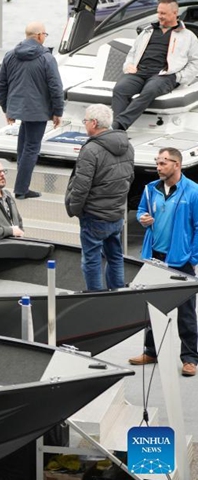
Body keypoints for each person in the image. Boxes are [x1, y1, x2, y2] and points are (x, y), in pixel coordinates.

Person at [130, 147, 198, 377]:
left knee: (186, 311)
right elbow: (141, 210)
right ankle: (151, 351)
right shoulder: (150, 189)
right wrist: (142, 218)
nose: (158, 167)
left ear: (177, 164)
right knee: (152, 307)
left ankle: (190, 359)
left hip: (181, 259)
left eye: (164, 163)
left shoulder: (193, 192)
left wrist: (193, 256)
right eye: (157, 163)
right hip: (154, 257)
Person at [65, 104, 135, 291]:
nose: (85, 124)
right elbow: (129, 179)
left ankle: (96, 298)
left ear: (94, 123)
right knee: (115, 257)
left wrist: (75, 210)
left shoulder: (91, 150)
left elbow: (81, 187)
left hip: (94, 217)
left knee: (92, 260)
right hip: (116, 215)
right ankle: (117, 294)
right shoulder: (128, 146)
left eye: (85, 121)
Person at [0, 21, 64, 200]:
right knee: (31, 148)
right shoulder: (47, 58)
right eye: (45, 35)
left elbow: (1, 84)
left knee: (23, 146)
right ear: (40, 35)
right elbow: (55, 87)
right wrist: (58, 111)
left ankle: (21, 185)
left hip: (19, 108)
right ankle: (22, 189)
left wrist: (7, 108)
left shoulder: (10, 55)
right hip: (38, 111)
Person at [112, 0, 198, 131]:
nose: (159, 16)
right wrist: (129, 66)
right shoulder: (147, 31)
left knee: (150, 90)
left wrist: (179, 76)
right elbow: (132, 53)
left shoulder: (188, 36)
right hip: (138, 72)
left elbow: (195, 62)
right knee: (120, 89)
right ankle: (117, 132)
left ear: (175, 13)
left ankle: (118, 126)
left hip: (164, 75)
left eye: (163, 13)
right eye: (158, 12)